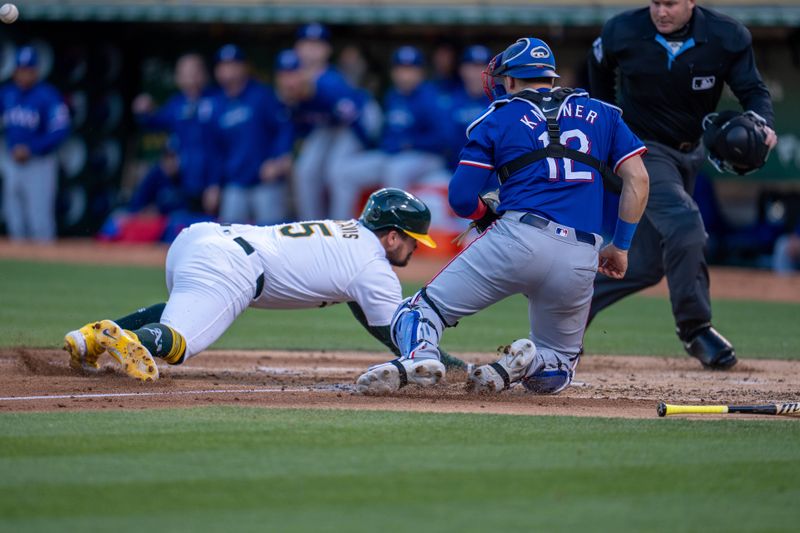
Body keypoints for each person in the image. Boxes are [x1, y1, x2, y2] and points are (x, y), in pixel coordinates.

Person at [355, 37, 650, 395]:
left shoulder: (498, 117)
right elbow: (638, 178)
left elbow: (462, 199)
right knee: (557, 366)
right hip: (581, 252)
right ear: (551, 78)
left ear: (509, 80)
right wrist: (620, 246)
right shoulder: (603, 114)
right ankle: (523, 365)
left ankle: (422, 355)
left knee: (417, 312)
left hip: (518, 237)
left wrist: (485, 214)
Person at [63, 188, 465, 381]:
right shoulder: (373, 267)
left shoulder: (347, 235)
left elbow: (370, 316)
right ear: (392, 236)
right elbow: (399, 333)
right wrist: (452, 366)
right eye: (413, 240)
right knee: (179, 344)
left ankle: (92, 338)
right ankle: (136, 342)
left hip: (200, 239)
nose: (415, 249)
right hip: (233, 266)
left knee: (184, 307)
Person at [587, 0, 777, 369]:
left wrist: (762, 122)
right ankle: (695, 328)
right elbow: (599, 72)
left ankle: (565, 312)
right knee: (686, 224)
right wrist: (606, 134)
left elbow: (753, 91)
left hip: (690, 153)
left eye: (671, 3)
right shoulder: (621, 31)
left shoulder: (726, 36)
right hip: (639, 153)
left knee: (643, 264)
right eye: (656, 2)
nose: (661, 11)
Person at [327, 46, 449, 220]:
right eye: (400, 69)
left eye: (410, 69)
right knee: (344, 172)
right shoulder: (393, 96)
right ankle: (341, 229)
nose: (404, 75)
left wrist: (411, 143)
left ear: (420, 73)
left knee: (395, 170)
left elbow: (443, 140)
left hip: (426, 157)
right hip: (393, 155)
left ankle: (392, 232)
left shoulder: (431, 98)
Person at [290, 24, 379, 220]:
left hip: (360, 120)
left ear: (327, 50)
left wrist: (370, 145)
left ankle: (340, 229)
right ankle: (311, 226)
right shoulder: (292, 76)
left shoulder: (331, 82)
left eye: (317, 44)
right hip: (329, 126)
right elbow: (298, 122)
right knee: (305, 170)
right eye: (306, 43)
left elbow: (354, 119)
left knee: (337, 171)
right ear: (297, 47)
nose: (311, 50)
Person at [206, 45, 293, 225]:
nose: (228, 70)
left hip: (266, 182)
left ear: (244, 67)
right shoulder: (216, 104)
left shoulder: (262, 95)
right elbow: (215, 149)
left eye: (233, 64)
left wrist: (278, 160)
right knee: (229, 239)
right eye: (223, 65)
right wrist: (213, 184)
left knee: (273, 236)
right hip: (235, 183)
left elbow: (284, 128)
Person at [131, 53, 218, 215]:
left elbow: (222, 148)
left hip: (212, 182)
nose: (191, 78)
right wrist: (144, 111)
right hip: (185, 180)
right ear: (178, 78)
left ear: (205, 74)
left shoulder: (217, 101)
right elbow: (155, 122)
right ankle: (130, 217)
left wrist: (215, 184)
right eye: (185, 74)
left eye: (195, 72)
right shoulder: (177, 103)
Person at [0, 46, 70, 242]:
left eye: (28, 70)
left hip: (40, 163)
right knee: (14, 219)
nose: (23, 74)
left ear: (36, 71)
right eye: (20, 70)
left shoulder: (48, 95)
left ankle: (47, 268)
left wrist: (33, 148)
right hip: (12, 162)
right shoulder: (7, 93)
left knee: (40, 221)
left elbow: (61, 130)